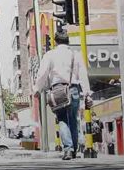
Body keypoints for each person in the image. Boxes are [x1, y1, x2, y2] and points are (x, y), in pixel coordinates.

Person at [35, 28, 92, 160]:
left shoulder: (50, 55)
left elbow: (42, 73)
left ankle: (68, 148)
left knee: (62, 118)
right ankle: (73, 149)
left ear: (55, 41)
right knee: (73, 119)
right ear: (68, 41)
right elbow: (83, 74)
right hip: (74, 89)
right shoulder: (76, 54)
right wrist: (87, 93)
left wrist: (37, 89)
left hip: (57, 89)